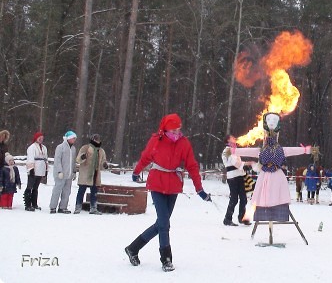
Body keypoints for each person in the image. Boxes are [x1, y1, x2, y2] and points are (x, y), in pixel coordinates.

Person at [125, 113, 212, 272]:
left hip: (173, 186)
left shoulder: (184, 143)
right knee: (164, 223)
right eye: (172, 131)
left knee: (161, 224)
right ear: (164, 130)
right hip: (157, 184)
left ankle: (133, 248)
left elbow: (192, 166)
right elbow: (145, 158)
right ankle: (166, 259)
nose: (176, 134)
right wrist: (136, 172)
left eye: (178, 130)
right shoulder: (156, 140)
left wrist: (199, 188)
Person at [235, 112, 312, 222]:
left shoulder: (280, 150)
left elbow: (293, 150)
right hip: (266, 175)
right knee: (261, 196)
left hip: (276, 176)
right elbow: (249, 151)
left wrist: (306, 150)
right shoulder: (262, 150)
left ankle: (275, 214)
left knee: (276, 195)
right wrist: (234, 151)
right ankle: (251, 215)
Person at [74, 134, 108, 215]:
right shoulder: (85, 148)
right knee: (81, 191)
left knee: (94, 192)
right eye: (96, 139)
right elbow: (78, 159)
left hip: (96, 174)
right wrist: (83, 157)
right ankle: (78, 207)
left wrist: (104, 165)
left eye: (98, 139)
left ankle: (93, 208)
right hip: (85, 173)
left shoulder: (101, 151)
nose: (97, 141)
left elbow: (103, 161)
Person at [222, 134, 250, 226]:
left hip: (239, 175)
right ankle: (227, 219)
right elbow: (234, 162)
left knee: (243, 198)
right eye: (232, 138)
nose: (235, 138)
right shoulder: (227, 151)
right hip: (232, 177)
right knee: (234, 199)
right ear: (228, 141)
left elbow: (238, 162)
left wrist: (245, 166)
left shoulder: (235, 150)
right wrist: (244, 165)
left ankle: (242, 218)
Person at [49, 131, 77, 214]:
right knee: (57, 190)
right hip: (61, 173)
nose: (74, 140)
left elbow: (73, 161)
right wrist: (59, 171)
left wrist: (74, 171)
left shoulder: (73, 149)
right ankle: (53, 207)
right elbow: (57, 160)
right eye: (73, 138)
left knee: (67, 191)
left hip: (69, 174)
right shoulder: (60, 147)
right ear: (68, 138)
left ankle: (63, 207)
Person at [24, 131, 48, 211]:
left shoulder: (44, 148)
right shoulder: (32, 147)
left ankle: (34, 203)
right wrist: (31, 169)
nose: (41, 140)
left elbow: (46, 159)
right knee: (30, 186)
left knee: (36, 187)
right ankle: (27, 204)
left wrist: (46, 170)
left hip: (41, 169)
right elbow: (30, 158)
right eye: (39, 138)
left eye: (42, 138)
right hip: (34, 169)